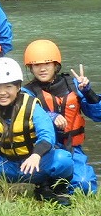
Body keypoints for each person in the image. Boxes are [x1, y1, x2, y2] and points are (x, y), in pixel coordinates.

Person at [0, 57, 74, 205]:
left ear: (18, 87)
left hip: (33, 164)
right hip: (4, 162)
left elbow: (47, 136)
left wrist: (36, 155)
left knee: (63, 159)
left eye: (8, 87)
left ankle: (52, 188)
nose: (2, 93)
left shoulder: (32, 106)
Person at [23, 40, 99, 194]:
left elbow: (98, 115)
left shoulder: (75, 86)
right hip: (44, 149)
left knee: (86, 186)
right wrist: (51, 116)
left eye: (47, 64)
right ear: (30, 68)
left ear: (56, 65)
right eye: (36, 65)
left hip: (72, 147)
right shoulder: (27, 92)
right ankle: (46, 183)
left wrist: (89, 93)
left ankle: (60, 185)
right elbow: (27, 114)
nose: (42, 69)